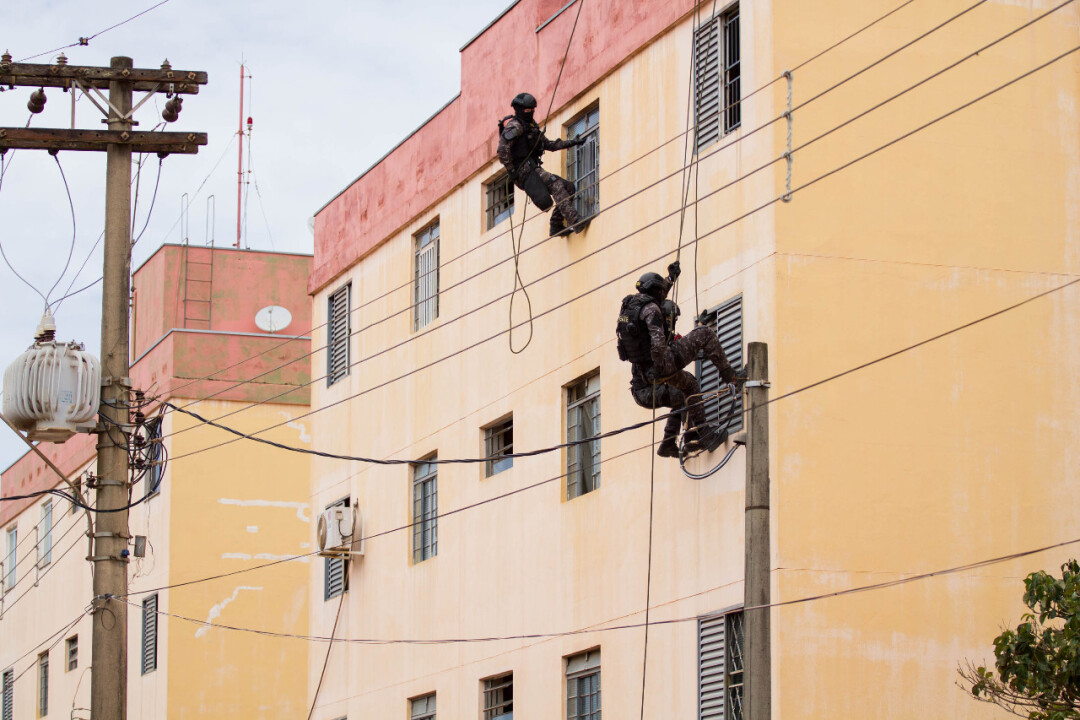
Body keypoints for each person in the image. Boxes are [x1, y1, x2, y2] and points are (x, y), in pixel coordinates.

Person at [616, 261, 744, 458]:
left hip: (646, 371)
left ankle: (701, 434)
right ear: (655, 292)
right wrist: (665, 366)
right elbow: (658, 344)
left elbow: (656, 298)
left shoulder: (631, 307)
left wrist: (670, 279)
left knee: (690, 385)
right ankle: (732, 378)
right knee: (704, 334)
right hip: (660, 365)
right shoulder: (652, 309)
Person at [497, 92, 588, 237]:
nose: (530, 112)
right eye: (527, 109)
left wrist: (573, 142)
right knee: (556, 184)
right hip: (523, 171)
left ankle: (556, 225)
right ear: (519, 109)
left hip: (533, 168)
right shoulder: (515, 126)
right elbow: (502, 150)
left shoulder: (531, 127)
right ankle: (575, 221)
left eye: (532, 109)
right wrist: (511, 169)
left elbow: (550, 145)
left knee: (568, 187)